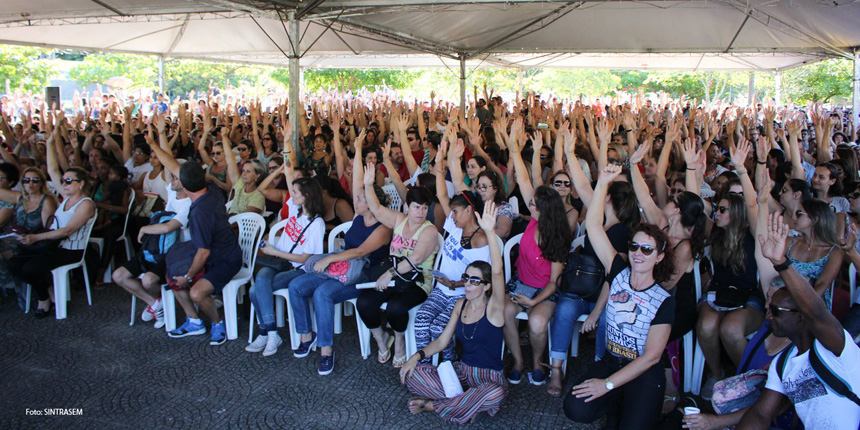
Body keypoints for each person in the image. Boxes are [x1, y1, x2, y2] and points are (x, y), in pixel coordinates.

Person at [564, 164, 677, 429]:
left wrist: (607, 385)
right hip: (613, 361)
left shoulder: (663, 300)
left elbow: (650, 357)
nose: (638, 253)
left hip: (644, 373)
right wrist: (602, 183)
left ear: (659, 257)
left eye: (647, 250)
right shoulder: (618, 271)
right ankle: (616, 405)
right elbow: (592, 226)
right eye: (635, 246)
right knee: (575, 407)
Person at [738, 213, 860, 430]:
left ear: (801, 315)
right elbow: (760, 414)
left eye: (776, 311)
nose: (768, 315)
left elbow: (816, 311)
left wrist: (782, 263)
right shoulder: (783, 364)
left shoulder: (837, 349)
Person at [282, 147, 392, 374]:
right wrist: (359, 149)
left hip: (360, 273)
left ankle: (326, 350)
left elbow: (360, 252)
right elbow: (349, 246)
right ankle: (306, 334)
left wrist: (328, 261)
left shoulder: (383, 228)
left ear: (372, 204)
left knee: (322, 293)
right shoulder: (359, 218)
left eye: (361, 198)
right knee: (296, 286)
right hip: (341, 266)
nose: (356, 200)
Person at [399, 202, 507, 424]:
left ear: (486, 286)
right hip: (462, 374)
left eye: (475, 281)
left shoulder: (494, 308)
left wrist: (490, 231)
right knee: (413, 375)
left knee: (495, 394)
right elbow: (441, 342)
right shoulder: (460, 304)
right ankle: (466, 404)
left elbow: (497, 271)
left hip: (488, 379)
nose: (467, 284)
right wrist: (415, 358)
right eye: (466, 278)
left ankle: (432, 405)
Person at [504, 128, 573, 386]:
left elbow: (555, 282)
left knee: (536, 322)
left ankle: (536, 362)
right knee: (504, 312)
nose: (529, 205)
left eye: (533, 204)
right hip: (520, 284)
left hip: (545, 290)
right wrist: (515, 149)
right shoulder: (533, 221)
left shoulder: (556, 235)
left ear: (544, 210)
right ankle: (518, 361)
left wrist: (533, 303)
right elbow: (523, 180)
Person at [356, 163, 439, 368]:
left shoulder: (429, 231)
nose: (420, 212)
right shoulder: (399, 220)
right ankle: (381, 339)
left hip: (417, 282)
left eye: (424, 208)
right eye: (416, 207)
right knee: (364, 302)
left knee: (396, 308)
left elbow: (416, 260)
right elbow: (375, 208)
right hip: (395, 279)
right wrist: (368, 185)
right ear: (407, 206)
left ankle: (400, 342)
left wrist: (388, 274)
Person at [247, 147, 326, 357]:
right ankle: (270, 332)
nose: (292, 194)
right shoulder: (295, 209)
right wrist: (285, 148)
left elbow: (305, 258)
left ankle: (268, 331)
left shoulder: (316, 224)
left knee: (258, 285)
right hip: (283, 263)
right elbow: (266, 186)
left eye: (296, 192)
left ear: (306, 196)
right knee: (257, 285)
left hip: (300, 269)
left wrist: (275, 251)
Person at [9, 135, 96, 319]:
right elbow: (52, 169)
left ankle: (44, 297)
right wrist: (49, 144)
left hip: (70, 250)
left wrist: (36, 238)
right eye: (63, 181)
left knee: (30, 268)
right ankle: (48, 289)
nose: (63, 184)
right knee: (14, 264)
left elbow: (67, 231)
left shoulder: (86, 204)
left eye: (68, 181)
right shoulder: (66, 197)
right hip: (53, 244)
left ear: (80, 183)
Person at [112, 140, 191, 329]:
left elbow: (168, 227)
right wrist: (160, 136)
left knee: (148, 280)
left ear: (185, 181)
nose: (171, 180)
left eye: (175, 178)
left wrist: (144, 229)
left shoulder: (189, 203)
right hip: (154, 246)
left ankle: (158, 304)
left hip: (172, 252)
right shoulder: (172, 192)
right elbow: (167, 163)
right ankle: (156, 303)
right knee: (119, 275)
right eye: (170, 177)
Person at [414, 168, 489, 363]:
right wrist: (440, 166)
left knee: (439, 328)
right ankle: (423, 367)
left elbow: (481, 278)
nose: (452, 216)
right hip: (441, 291)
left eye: (455, 211)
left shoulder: (480, 240)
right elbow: (441, 194)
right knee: (421, 321)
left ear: (469, 210)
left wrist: (453, 284)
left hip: (462, 295)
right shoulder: (455, 227)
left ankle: (449, 365)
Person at [166, 162, 242, 345]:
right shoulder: (211, 189)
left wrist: (188, 276)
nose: (171, 181)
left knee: (196, 293)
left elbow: (203, 253)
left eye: (176, 178)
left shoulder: (200, 213)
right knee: (172, 272)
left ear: (184, 186)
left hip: (225, 260)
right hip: (214, 253)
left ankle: (217, 323)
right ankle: (193, 321)